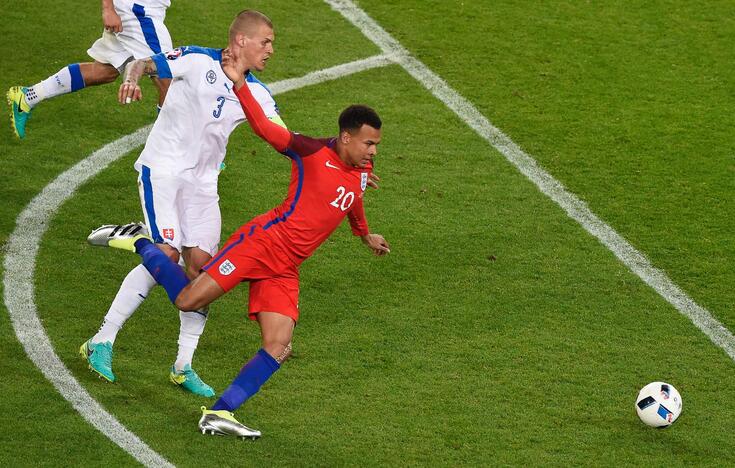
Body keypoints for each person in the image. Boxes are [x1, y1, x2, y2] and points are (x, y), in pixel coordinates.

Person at [93, 46, 391, 439]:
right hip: (263, 244)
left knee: (279, 346)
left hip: (286, 266)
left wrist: (364, 233)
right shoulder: (311, 151)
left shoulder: (362, 168)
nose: (373, 151)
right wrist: (239, 85)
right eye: (368, 144)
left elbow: (352, 197)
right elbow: (267, 131)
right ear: (346, 137)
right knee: (188, 300)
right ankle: (140, 243)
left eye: (376, 145)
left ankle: (219, 413)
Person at [83, 10, 286, 397]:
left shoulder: (256, 92)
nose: (270, 50)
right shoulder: (196, 60)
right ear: (241, 41)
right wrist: (130, 76)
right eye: (266, 42)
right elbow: (145, 63)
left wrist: (330, 155)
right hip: (162, 171)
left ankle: (183, 365)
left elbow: (283, 136)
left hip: (203, 186)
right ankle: (101, 340)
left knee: (203, 272)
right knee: (166, 252)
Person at [7, 0, 174, 139]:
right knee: (167, 77)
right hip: (137, 13)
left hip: (143, 11)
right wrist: (108, 8)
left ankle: (28, 97)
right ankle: (167, 145)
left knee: (104, 71)